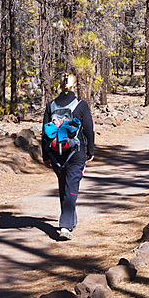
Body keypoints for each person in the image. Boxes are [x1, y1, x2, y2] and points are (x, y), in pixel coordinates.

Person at [41, 74, 95, 240]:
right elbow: (88, 130)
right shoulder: (81, 105)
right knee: (71, 187)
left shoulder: (51, 105)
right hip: (76, 153)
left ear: (60, 85)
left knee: (65, 186)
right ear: (75, 85)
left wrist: (46, 156)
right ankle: (65, 227)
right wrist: (90, 151)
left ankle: (71, 220)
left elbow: (44, 132)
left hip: (56, 153)